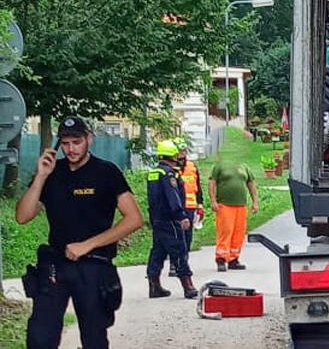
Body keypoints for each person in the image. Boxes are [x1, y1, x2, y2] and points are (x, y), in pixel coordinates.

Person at [15, 116, 144, 349]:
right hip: (55, 266)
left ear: (89, 140)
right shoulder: (53, 173)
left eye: (77, 142)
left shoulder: (106, 172)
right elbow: (23, 216)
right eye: (65, 143)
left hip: (94, 267)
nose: (71, 149)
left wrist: (88, 244)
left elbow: (134, 219)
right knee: (39, 338)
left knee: (94, 339)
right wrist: (41, 176)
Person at [145, 139, 197, 299]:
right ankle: (188, 286)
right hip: (170, 218)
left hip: (157, 219)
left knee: (158, 251)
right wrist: (181, 216)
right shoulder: (169, 174)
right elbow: (172, 197)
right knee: (179, 250)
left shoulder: (153, 173)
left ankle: (154, 287)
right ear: (172, 156)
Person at [208, 148, 258, 271]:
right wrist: (213, 200)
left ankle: (233, 259)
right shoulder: (220, 166)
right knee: (225, 231)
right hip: (225, 205)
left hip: (241, 205)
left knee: (238, 233)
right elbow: (212, 183)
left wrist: (255, 202)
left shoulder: (244, 166)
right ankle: (221, 258)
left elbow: (251, 184)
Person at [168, 139, 203, 278]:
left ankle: (184, 262)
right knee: (175, 235)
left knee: (187, 237)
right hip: (175, 207)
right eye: (179, 152)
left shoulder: (192, 167)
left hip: (190, 207)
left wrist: (200, 204)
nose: (182, 155)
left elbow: (198, 187)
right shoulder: (171, 169)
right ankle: (173, 263)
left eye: (183, 151)